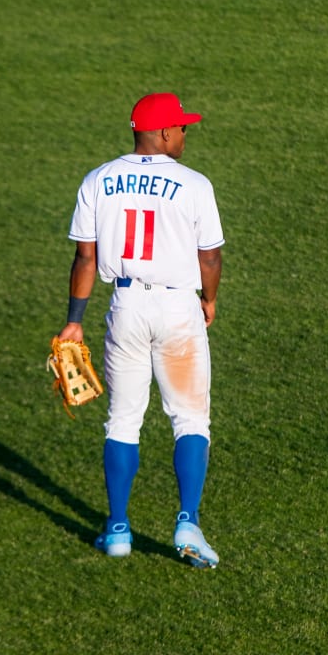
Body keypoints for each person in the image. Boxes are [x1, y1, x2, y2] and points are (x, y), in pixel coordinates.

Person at [56, 92, 225, 568]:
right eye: (183, 128)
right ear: (166, 132)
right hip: (177, 309)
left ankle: (117, 530)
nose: (186, 136)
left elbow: (85, 257)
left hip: (125, 306)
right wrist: (209, 299)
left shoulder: (98, 179)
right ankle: (187, 520)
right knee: (189, 419)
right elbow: (209, 257)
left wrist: (74, 321)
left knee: (122, 420)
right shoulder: (194, 184)